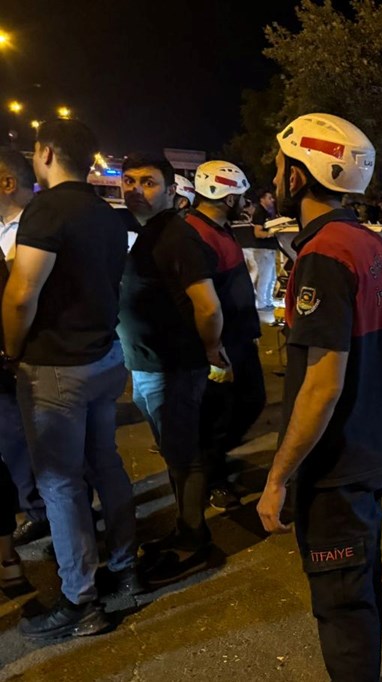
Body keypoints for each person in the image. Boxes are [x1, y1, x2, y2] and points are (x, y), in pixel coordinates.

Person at [259, 113, 382, 681]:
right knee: (361, 585)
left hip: (338, 462)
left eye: (280, 166)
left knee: (342, 605)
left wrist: (277, 478)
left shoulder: (325, 254)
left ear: (299, 178)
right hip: (375, 449)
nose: (274, 176)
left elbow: (322, 385)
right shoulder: (374, 244)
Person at [2, 119, 138, 639]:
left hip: (57, 368)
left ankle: (80, 599)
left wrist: (13, 351)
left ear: (48, 152)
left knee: (60, 484)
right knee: (105, 463)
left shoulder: (48, 210)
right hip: (104, 359)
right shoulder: (107, 215)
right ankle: (124, 564)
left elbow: (20, 295)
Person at [117, 154, 216, 585]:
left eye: (149, 182)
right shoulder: (149, 233)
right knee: (175, 454)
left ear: (172, 191)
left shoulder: (176, 235)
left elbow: (208, 307)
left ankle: (194, 539)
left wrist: (210, 349)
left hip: (173, 367)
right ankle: (183, 527)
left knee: (185, 457)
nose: (136, 188)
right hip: (149, 365)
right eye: (129, 180)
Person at [184, 161, 265, 511]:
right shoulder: (195, 234)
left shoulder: (219, 228)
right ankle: (210, 478)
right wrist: (213, 348)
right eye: (240, 196)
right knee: (217, 414)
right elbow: (206, 305)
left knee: (250, 400)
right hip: (220, 345)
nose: (244, 203)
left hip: (237, 339)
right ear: (227, 197)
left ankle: (210, 462)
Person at [0, 150, 48, 547]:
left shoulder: (30, 231)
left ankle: (40, 511)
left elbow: (21, 301)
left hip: (24, 356)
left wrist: (13, 353)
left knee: (21, 439)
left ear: (8, 183)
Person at [242, 191, 278, 322]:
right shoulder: (260, 213)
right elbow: (258, 233)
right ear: (262, 199)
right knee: (265, 277)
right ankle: (262, 303)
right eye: (269, 197)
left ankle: (267, 301)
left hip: (268, 250)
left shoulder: (266, 212)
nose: (272, 200)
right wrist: (272, 233)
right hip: (263, 250)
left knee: (271, 277)